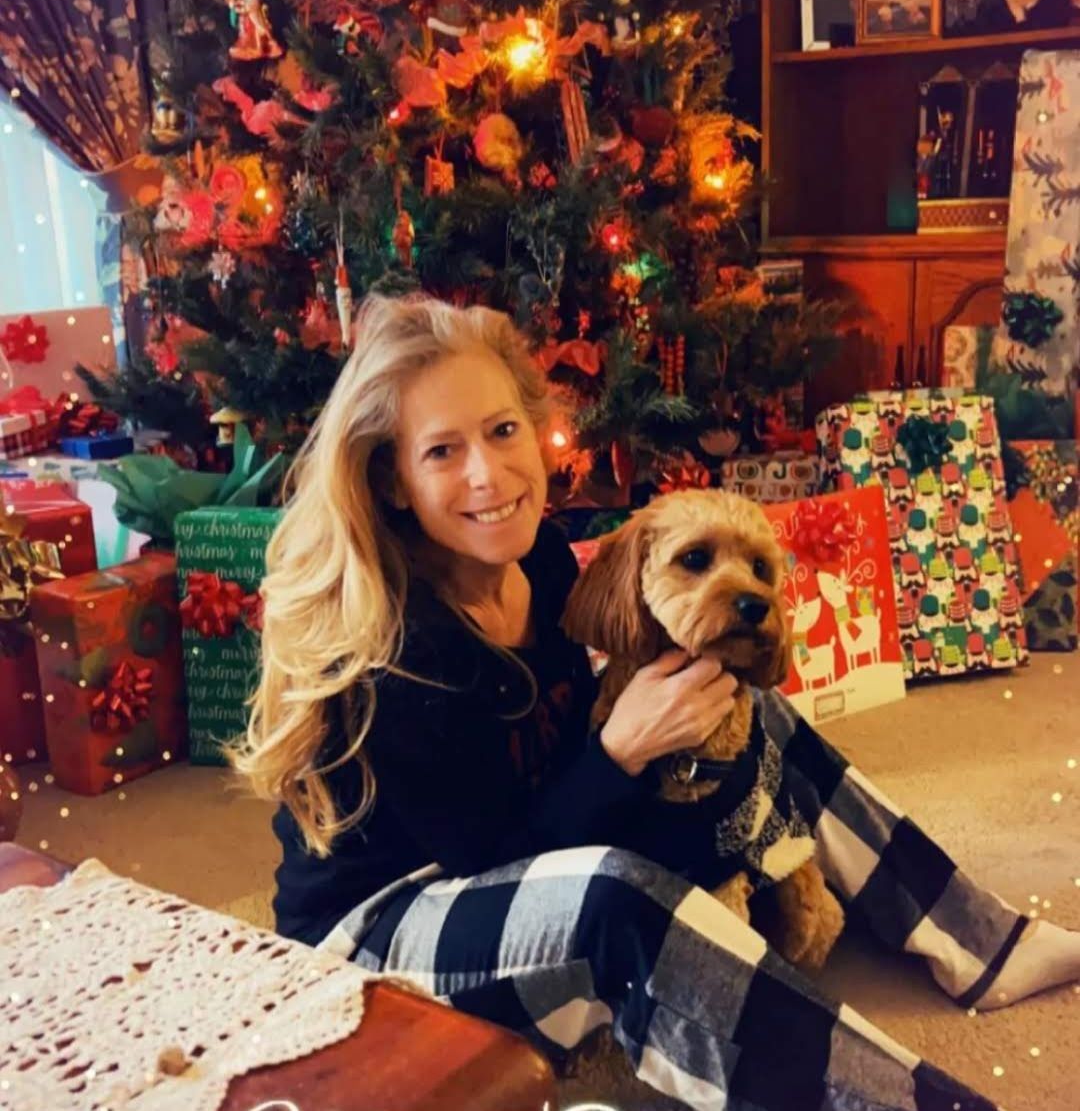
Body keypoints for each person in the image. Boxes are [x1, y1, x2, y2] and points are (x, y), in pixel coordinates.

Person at [231, 294, 1080, 1111]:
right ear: (392, 480)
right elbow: (495, 859)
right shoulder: (397, 651)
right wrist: (619, 758)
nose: (488, 474)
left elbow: (558, 782)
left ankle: (980, 941)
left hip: (519, 865)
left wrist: (654, 746)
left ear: (538, 432)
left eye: (501, 431)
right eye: (442, 452)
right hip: (377, 945)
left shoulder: (547, 571)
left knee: (745, 711)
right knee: (617, 898)